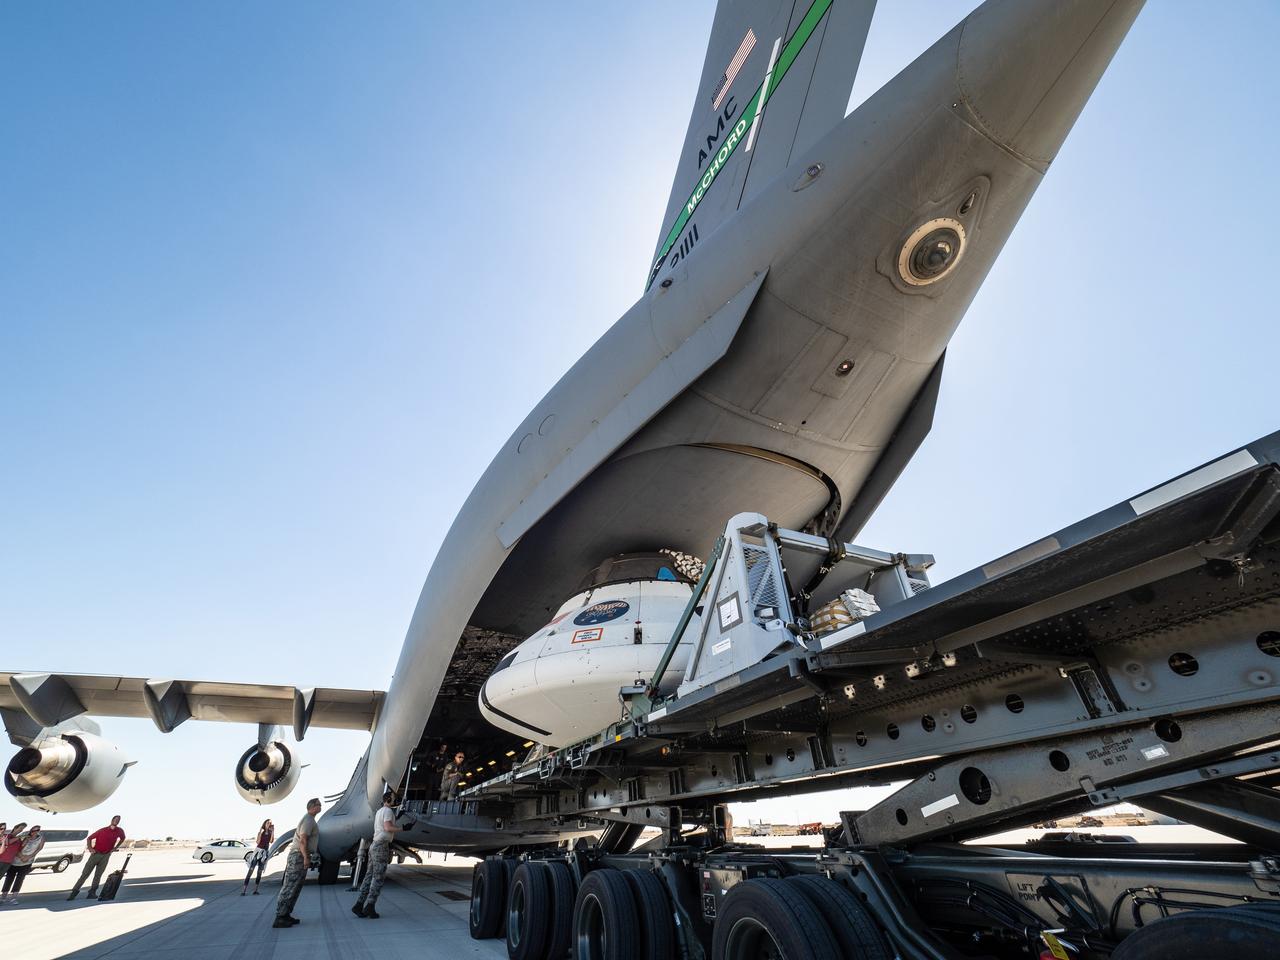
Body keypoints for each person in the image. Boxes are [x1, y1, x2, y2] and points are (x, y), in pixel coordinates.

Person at [273, 797, 321, 929]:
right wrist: (306, 857)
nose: (320, 807)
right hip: (298, 856)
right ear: (312, 807)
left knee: (295, 887)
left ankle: (286, 914)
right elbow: (303, 840)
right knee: (290, 886)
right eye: (319, 805)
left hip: (300, 855)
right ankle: (280, 917)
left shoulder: (310, 820)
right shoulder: (308, 820)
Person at [352, 791, 400, 919]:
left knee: (369, 876)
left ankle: (359, 904)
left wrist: (397, 816)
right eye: (393, 798)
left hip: (374, 845)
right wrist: (402, 829)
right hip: (381, 846)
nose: (395, 800)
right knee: (378, 877)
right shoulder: (388, 811)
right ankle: (370, 906)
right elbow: (388, 828)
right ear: (388, 799)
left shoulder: (380, 811)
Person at [67, 815, 126, 900]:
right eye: (115, 819)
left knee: (98, 875)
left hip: (106, 856)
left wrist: (115, 848)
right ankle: (74, 892)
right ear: (112, 820)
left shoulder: (119, 831)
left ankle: (92, 893)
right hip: (95, 854)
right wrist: (90, 848)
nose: (116, 821)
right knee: (85, 874)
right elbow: (89, 838)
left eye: (118, 820)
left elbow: (123, 838)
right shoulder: (102, 830)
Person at [2, 826, 45, 904]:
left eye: (37, 830)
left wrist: (29, 857)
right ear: (30, 831)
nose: (35, 832)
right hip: (15, 861)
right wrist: (22, 855)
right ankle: (3, 897)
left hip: (27, 862)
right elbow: (18, 848)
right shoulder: (25, 838)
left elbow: (38, 849)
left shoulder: (41, 839)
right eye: (33, 830)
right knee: (9, 878)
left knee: (20, 879)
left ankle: (13, 898)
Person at [242, 818, 274, 896]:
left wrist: (273, 831)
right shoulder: (261, 832)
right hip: (257, 852)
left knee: (259, 872)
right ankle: (244, 890)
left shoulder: (270, 832)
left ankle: (255, 890)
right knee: (251, 870)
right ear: (264, 824)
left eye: (270, 823)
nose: (269, 824)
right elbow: (257, 842)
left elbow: (271, 841)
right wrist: (260, 832)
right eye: (267, 823)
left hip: (264, 854)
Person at [0, 823, 27, 898]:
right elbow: (8, 842)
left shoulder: (18, 839)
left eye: (22, 829)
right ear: (15, 828)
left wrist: (25, 841)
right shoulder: (7, 836)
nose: (21, 830)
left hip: (8, 862)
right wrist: (19, 837)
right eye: (20, 828)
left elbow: (18, 850)